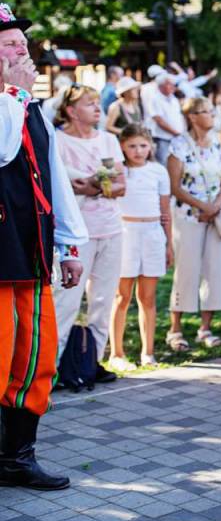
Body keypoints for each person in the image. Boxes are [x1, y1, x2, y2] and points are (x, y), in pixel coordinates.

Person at [0, 2, 87, 491]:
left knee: (35, 357)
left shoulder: (28, 105)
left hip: (29, 249)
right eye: (11, 46)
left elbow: (54, 178)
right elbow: (1, 150)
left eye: (23, 44)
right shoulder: (14, 101)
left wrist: (70, 244)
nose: (23, 53)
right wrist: (15, 92)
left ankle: (16, 457)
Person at [52, 84, 128, 377]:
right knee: (65, 301)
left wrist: (93, 187)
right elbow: (57, 185)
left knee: (103, 300)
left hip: (110, 227)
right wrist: (94, 185)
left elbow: (120, 185)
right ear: (71, 111)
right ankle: (52, 369)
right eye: (89, 103)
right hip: (74, 233)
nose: (98, 108)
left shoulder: (108, 140)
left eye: (98, 102)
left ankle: (90, 364)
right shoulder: (57, 140)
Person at [166, 96, 221, 351]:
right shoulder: (178, 144)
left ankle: (205, 328)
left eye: (212, 111)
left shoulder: (219, 143)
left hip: (216, 215)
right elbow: (174, 186)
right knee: (187, 270)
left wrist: (216, 206)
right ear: (192, 116)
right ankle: (175, 329)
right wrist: (203, 206)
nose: (211, 115)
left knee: (214, 269)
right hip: (188, 215)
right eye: (206, 111)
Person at [109, 124, 172, 367]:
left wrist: (168, 244)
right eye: (132, 146)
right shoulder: (118, 171)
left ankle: (148, 352)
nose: (138, 151)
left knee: (148, 297)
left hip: (153, 233)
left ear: (151, 146)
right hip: (126, 232)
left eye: (143, 145)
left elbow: (165, 211)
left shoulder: (158, 171)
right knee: (122, 296)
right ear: (122, 147)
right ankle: (117, 353)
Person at [147, 73, 185, 164]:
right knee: (163, 163)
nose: (173, 86)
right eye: (169, 84)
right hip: (162, 139)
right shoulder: (155, 99)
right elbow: (158, 120)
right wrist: (175, 132)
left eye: (173, 84)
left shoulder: (174, 98)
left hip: (176, 138)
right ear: (161, 86)